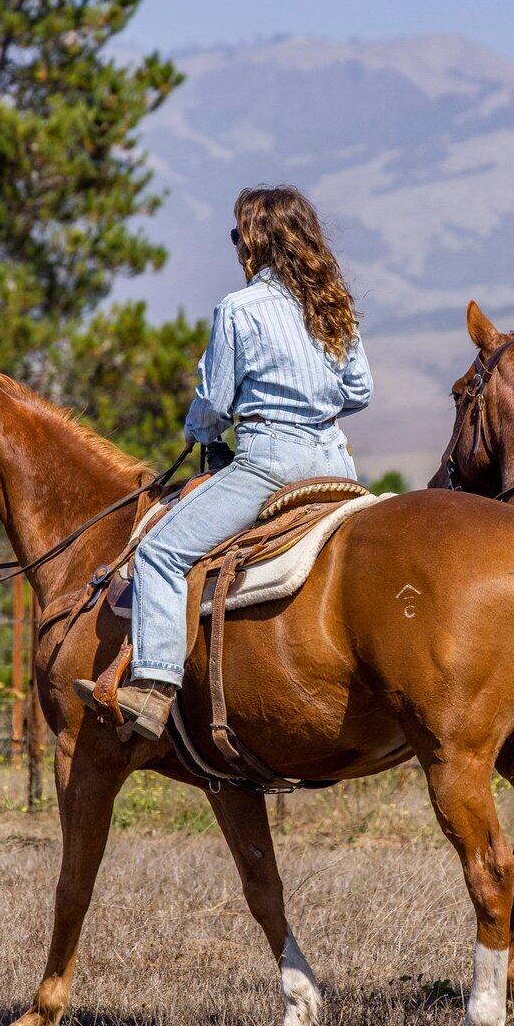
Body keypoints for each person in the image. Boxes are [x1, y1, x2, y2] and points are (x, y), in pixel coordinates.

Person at [88, 185, 372, 739]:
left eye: (238, 234)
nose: (235, 244)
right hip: (338, 469)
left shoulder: (239, 309)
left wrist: (199, 429)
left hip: (270, 466)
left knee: (161, 553)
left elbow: (216, 402)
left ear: (255, 241)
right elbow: (359, 390)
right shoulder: (332, 302)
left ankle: (152, 689)